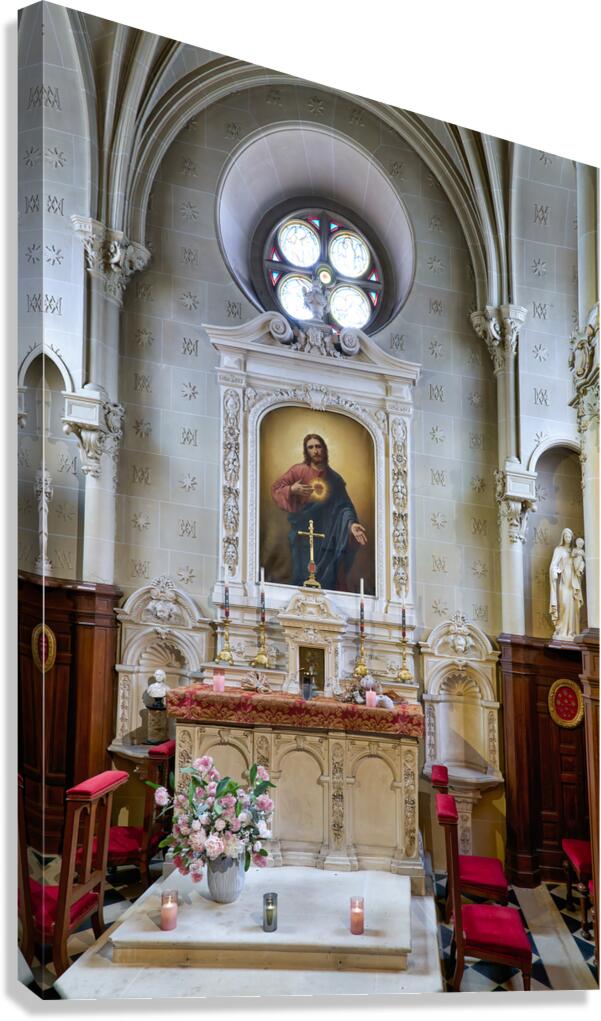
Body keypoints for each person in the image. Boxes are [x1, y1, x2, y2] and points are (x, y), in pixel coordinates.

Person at [271, 433, 367, 591]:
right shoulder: (298, 470)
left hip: (328, 536)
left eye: (318, 446)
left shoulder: (335, 479)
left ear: (324, 449)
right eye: (311, 447)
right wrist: (291, 489)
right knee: (301, 573)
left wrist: (351, 524)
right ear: (306, 451)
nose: (315, 450)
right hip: (302, 531)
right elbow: (276, 489)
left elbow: (345, 506)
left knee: (328, 577)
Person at [549, 528, 585, 640]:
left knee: (574, 607)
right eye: (566, 536)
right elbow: (553, 564)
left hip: (573, 582)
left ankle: (572, 632)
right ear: (563, 537)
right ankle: (562, 631)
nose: (568, 538)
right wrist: (554, 571)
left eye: (569, 536)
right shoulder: (559, 549)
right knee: (564, 603)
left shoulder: (574, 551)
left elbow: (580, 565)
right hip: (564, 581)